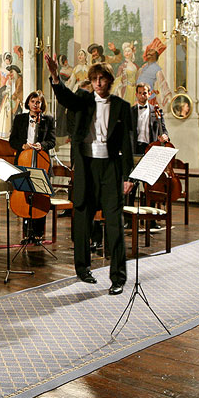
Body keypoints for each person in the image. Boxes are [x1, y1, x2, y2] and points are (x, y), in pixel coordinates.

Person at [45, 55, 134, 295]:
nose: (97, 83)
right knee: (83, 219)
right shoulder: (83, 100)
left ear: (109, 81)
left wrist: (128, 177)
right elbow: (65, 97)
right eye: (94, 79)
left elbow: (127, 143)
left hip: (111, 169)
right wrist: (55, 76)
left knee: (114, 224)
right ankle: (82, 269)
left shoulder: (122, 107)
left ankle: (118, 278)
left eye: (102, 79)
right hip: (86, 167)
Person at [8, 90, 56, 239]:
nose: (35, 104)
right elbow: (12, 140)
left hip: (41, 162)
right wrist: (22, 146)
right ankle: (26, 232)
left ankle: (39, 233)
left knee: (40, 196)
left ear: (42, 104)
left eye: (38, 102)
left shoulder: (48, 120)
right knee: (25, 194)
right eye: (33, 102)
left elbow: (52, 141)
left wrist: (41, 145)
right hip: (23, 160)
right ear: (28, 103)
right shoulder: (20, 119)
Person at [132, 82, 168, 155]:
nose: (142, 95)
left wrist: (165, 136)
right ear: (136, 95)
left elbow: (164, 129)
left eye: (145, 93)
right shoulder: (130, 111)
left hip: (151, 147)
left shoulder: (157, 111)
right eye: (140, 93)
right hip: (134, 148)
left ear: (149, 94)